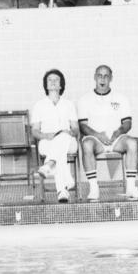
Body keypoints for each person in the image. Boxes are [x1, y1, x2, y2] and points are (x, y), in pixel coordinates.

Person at [77, 64, 138, 200]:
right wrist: (97, 135)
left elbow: (127, 123)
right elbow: (83, 126)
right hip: (96, 139)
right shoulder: (84, 99)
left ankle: (131, 188)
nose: (103, 79)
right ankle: (94, 189)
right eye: (100, 76)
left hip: (116, 139)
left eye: (106, 76)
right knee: (86, 144)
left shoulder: (121, 98)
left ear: (111, 78)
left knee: (132, 143)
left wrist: (118, 132)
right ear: (95, 77)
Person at [31, 69, 79, 203]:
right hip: (47, 142)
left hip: (68, 141)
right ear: (46, 85)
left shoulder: (68, 104)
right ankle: (63, 188)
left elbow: (75, 128)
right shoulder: (39, 105)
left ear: (61, 85)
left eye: (56, 80)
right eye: (49, 80)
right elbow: (35, 131)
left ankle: (50, 164)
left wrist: (70, 132)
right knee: (59, 152)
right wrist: (45, 135)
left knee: (62, 137)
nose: (52, 82)